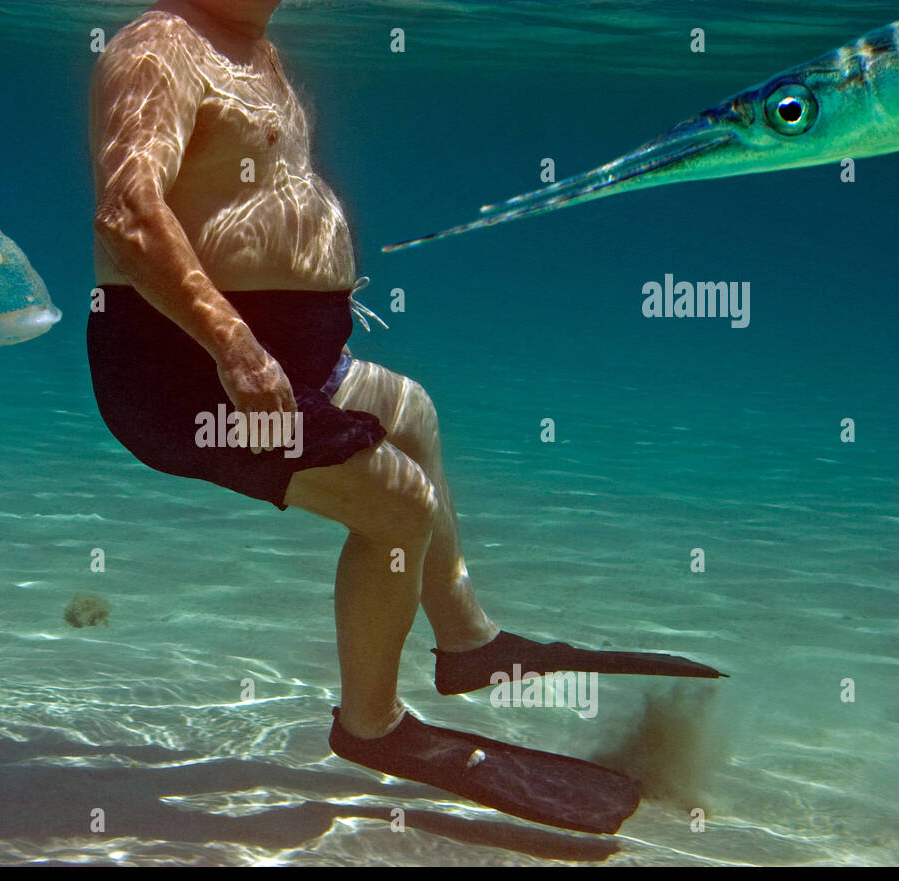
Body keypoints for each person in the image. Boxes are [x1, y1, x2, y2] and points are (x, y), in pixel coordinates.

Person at [86, 0, 723, 834]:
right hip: (187, 373)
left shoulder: (254, 49)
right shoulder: (159, 46)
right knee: (397, 510)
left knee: (411, 410)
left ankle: (468, 642)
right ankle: (372, 726)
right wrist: (237, 347)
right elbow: (129, 213)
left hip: (283, 364)